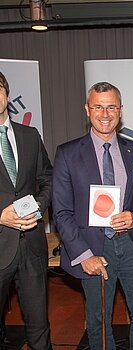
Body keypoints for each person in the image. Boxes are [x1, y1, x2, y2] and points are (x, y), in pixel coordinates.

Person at [52, 82, 133, 350]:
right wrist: (83, 255)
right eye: (98, 106)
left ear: (120, 111)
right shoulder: (67, 154)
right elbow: (61, 212)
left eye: (111, 107)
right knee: (99, 321)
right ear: (87, 110)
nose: (105, 113)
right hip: (93, 248)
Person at [0, 72, 52, 349]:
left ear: (7, 93)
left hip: (32, 244)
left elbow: (46, 178)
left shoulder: (30, 135)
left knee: (39, 325)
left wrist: (39, 206)